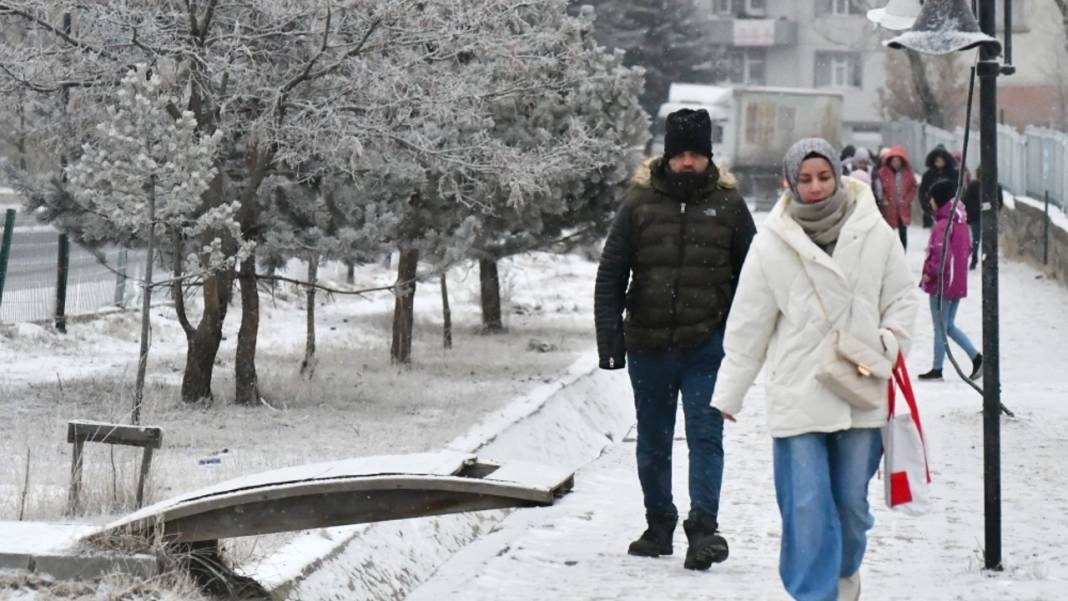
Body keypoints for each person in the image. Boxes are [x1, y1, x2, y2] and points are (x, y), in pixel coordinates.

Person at [711, 138, 918, 601]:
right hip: (798, 390)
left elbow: (902, 299)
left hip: (860, 386)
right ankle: (813, 593)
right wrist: (730, 394)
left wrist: (888, 343)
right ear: (790, 182)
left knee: (850, 506)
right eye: (805, 179)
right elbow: (749, 324)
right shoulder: (771, 244)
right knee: (805, 507)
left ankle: (845, 573)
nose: (816, 186)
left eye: (823, 176)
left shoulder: (875, 231)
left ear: (838, 176)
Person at [594, 108, 757, 570]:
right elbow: (611, 274)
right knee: (653, 439)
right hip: (648, 344)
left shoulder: (728, 205)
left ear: (709, 156)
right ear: (667, 156)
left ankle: (703, 530)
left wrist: (742, 340)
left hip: (707, 345)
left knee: (706, 437)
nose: (688, 163)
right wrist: (610, 342)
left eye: (696, 154)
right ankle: (658, 524)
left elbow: (755, 278)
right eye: (681, 154)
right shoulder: (639, 204)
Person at [918, 179, 983, 381]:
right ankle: (976, 358)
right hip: (955, 283)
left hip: (942, 284)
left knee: (940, 327)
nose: (930, 203)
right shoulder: (961, 223)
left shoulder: (943, 225)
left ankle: (937, 369)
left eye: (932, 199)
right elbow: (968, 249)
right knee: (948, 326)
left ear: (939, 200)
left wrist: (929, 272)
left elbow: (940, 255)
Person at [961, 165, 1004, 270]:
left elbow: (999, 202)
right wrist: (977, 208)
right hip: (976, 217)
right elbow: (966, 200)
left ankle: (990, 259)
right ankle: (975, 258)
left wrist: (992, 208)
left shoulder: (996, 186)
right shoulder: (974, 185)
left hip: (989, 217)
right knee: (976, 239)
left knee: (989, 239)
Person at [875, 145, 917, 249]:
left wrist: (907, 200)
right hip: (888, 208)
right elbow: (879, 188)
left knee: (903, 232)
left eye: (898, 160)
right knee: (888, 232)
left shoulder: (907, 173)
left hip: (903, 208)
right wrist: (884, 199)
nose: (896, 163)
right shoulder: (883, 172)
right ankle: (888, 251)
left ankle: (903, 252)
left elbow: (913, 187)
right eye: (894, 160)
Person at [918, 146, 959, 228]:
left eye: (941, 160)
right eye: (937, 160)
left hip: (948, 207)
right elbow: (923, 191)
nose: (939, 162)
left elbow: (956, 188)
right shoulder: (928, 175)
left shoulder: (952, 173)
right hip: (933, 207)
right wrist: (927, 206)